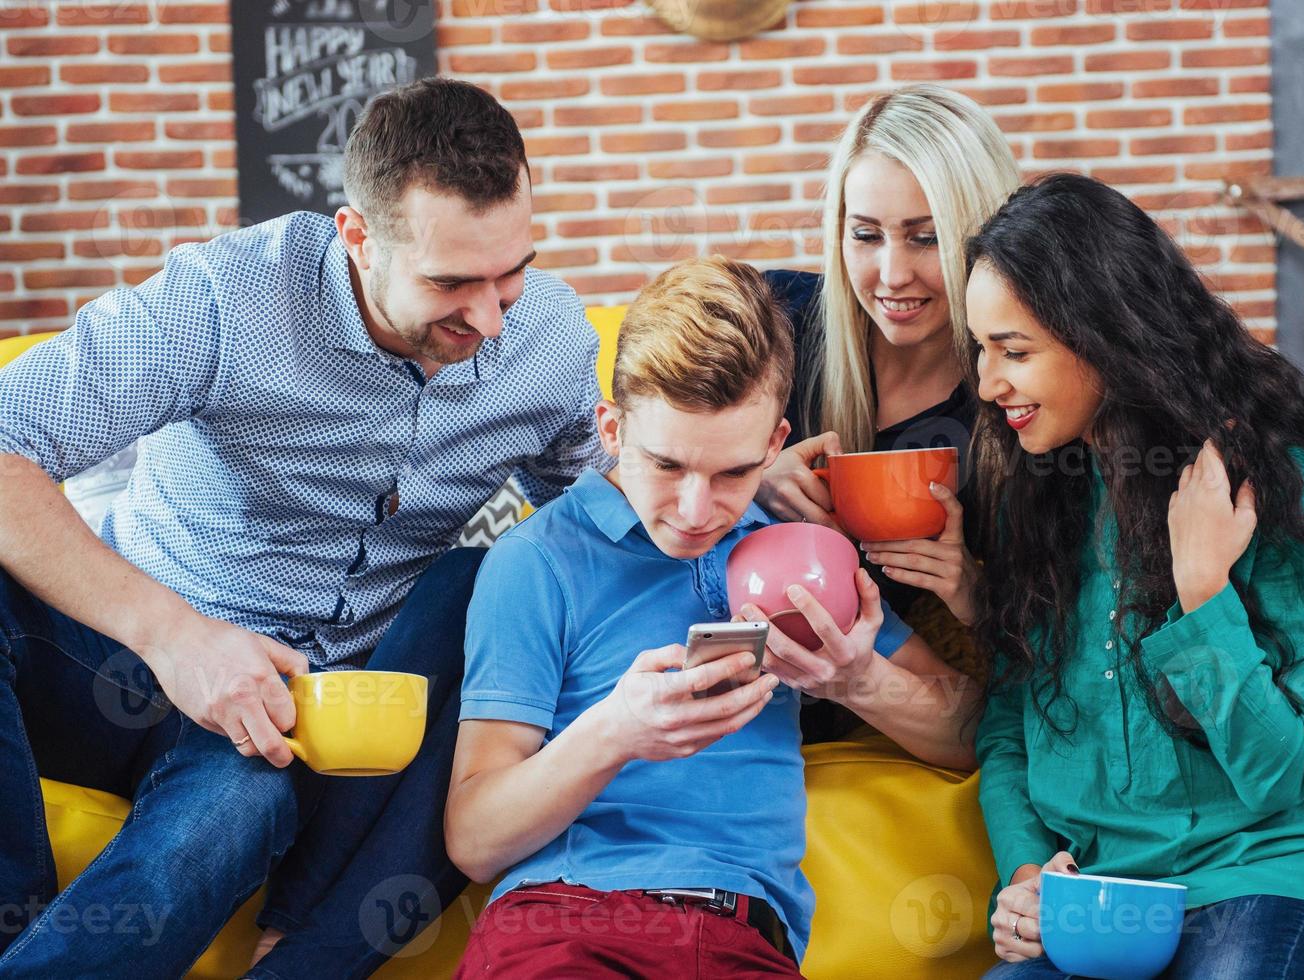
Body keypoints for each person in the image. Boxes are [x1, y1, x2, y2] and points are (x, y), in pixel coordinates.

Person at [0, 77, 607, 978]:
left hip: (281, 725)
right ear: (357, 237)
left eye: (510, 274)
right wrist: (176, 637)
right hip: (119, 648)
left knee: (234, 814)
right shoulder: (224, 298)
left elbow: (610, 518)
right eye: (450, 282)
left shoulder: (549, 341)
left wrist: (735, 475)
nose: (487, 318)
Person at [446, 257, 980, 978]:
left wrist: (858, 679)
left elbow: (977, 732)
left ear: (773, 442)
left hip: (743, 938)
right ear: (610, 428)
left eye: (733, 473)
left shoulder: (799, 556)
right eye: (666, 466)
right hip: (564, 923)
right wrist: (615, 731)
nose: (697, 513)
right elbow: (474, 838)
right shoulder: (537, 561)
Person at [964, 174, 1304, 978]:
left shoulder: (1266, 486)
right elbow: (1007, 729)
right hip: (1102, 908)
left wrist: (1202, 587)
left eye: (1014, 351)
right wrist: (1028, 876)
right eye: (982, 349)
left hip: (1270, 877)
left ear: (1101, 333)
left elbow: (1279, 780)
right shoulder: (1036, 504)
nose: (989, 384)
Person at [758, 84, 1020, 636]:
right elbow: (648, 465)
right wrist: (746, 478)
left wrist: (972, 594)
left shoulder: (1012, 403)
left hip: (857, 681)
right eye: (866, 235)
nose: (892, 274)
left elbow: (1050, 633)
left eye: (926, 238)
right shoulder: (773, 319)